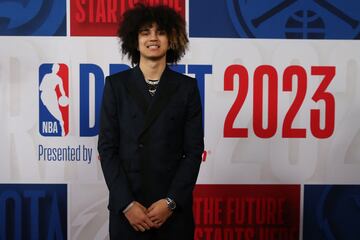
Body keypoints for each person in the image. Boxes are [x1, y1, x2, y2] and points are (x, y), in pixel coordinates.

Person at [97, 4, 204, 240]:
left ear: (171, 39)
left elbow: (194, 152)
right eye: (145, 32)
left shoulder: (187, 88)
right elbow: (107, 149)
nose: (153, 38)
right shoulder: (116, 86)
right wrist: (126, 204)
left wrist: (171, 202)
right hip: (128, 214)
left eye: (161, 32)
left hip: (172, 215)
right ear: (134, 41)